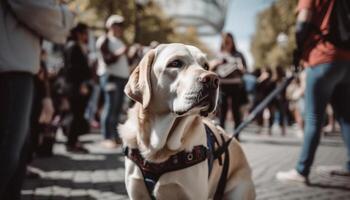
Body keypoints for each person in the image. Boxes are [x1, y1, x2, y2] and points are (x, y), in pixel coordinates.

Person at [0, 0, 74, 199]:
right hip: (10, 72)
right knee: (8, 152)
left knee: (17, 153)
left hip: (17, 71)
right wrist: (66, 13)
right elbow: (45, 16)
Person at [276, 0, 350, 183]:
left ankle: (302, 170)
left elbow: (303, 22)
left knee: (313, 118)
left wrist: (299, 51)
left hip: (322, 58)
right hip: (346, 59)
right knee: (346, 118)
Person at [96, 15, 129, 148]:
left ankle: (114, 137)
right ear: (110, 26)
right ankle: (106, 137)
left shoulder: (119, 41)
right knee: (110, 107)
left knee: (117, 109)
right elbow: (107, 59)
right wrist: (121, 52)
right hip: (111, 77)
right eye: (117, 25)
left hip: (121, 78)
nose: (120, 28)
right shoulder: (104, 40)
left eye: (121, 26)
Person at [210, 32, 248, 139]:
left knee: (236, 111)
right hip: (222, 85)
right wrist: (218, 63)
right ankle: (221, 135)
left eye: (229, 41)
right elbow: (209, 67)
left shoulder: (239, 54)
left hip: (236, 86)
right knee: (223, 110)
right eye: (225, 41)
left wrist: (238, 67)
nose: (227, 43)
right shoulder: (218, 54)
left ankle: (237, 135)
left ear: (232, 42)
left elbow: (245, 70)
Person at [64, 23, 92, 153]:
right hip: (75, 86)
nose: (87, 36)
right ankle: (71, 142)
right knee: (75, 115)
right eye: (85, 33)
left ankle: (73, 141)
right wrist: (81, 83)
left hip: (77, 84)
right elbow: (73, 69)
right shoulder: (73, 46)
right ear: (79, 33)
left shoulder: (77, 46)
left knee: (77, 114)